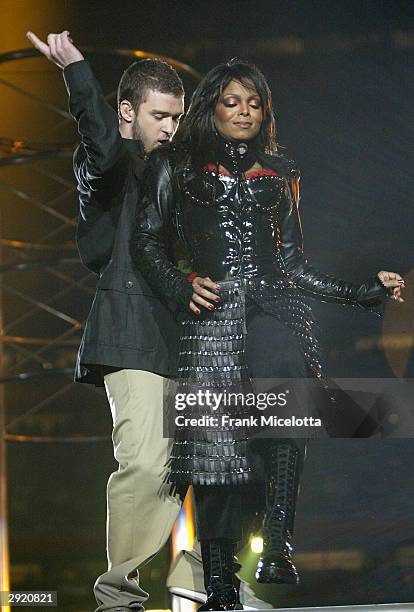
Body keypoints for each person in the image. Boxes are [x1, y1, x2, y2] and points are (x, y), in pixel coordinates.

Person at [131, 59, 404, 610]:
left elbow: (295, 266)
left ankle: (279, 541)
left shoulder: (280, 174)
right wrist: (180, 284)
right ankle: (221, 585)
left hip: (275, 309)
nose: (244, 112)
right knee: (215, 450)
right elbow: (147, 242)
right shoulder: (174, 165)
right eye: (232, 102)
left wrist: (363, 291)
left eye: (254, 103)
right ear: (211, 107)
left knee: (287, 398)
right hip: (208, 320)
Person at [26, 30, 190, 612]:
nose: (171, 127)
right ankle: (118, 594)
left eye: (178, 117)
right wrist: (77, 73)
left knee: (217, 454)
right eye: (160, 116)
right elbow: (99, 141)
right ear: (128, 113)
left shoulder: (177, 174)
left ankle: (207, 574)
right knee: (145, 460)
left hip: (187, 334)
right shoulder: (112, 164)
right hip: (129, 330)